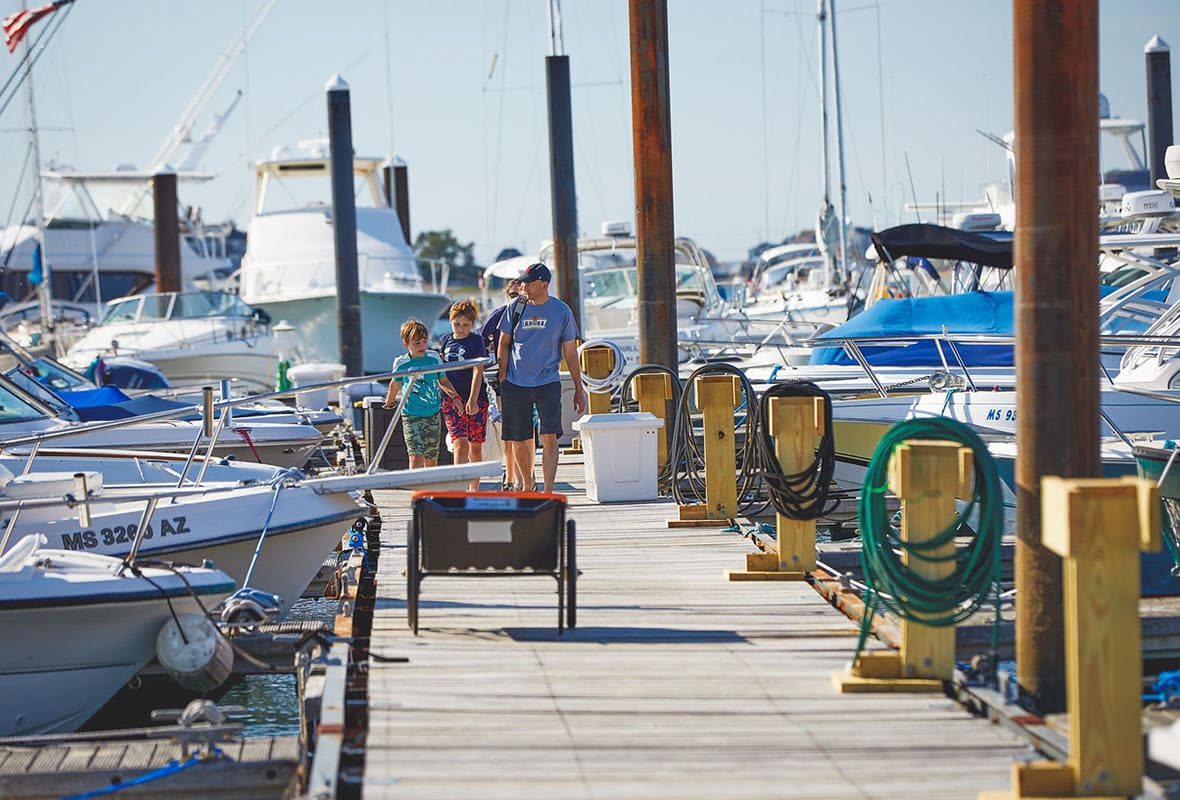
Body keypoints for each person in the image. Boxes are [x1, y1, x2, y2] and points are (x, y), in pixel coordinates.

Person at [496, 262, 586, 493]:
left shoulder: (562, 311)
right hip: (515, 382)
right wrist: (503, 379)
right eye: (523, 281)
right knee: (519, 438)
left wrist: (578, 387)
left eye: (529, 282)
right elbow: (503, 344)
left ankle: (548, 491)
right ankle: (527, 485)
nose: (523, 285)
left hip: (548, 381)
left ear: (544, 284)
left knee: (549, 436)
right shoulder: (515, 307)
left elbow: (570, 352)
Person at [384, 318, 461, 469]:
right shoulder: (401, 363)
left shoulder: (433, 358)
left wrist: (455, 397)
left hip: (432, 413)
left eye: (424, 341)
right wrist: (390, 401)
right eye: (417, 343)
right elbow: (395, 384)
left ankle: (431, 491)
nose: (422, 346)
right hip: (411, 414)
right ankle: (418, 491)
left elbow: (443, 380)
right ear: (406, 344)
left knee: (431, 459)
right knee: (415, 456)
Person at [479, 279, 529, 490]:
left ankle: (524, 475)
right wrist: (490, 356)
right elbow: (481, 335)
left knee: (528, 431)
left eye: (520, 295)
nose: (516, 300)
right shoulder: (501, 313)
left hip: (529, 377)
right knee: (509, 431)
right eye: (512, 295)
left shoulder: (533, 314)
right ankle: (510, 476)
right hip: (505, 377)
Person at [439, 299, 489, 491]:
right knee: (459, 443)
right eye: (456, 323)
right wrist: (454, 397)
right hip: (452, 399)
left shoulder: (476, 341)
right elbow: (441, 374)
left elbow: (478, 370)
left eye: (465, 325)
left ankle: (474, 489)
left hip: (475, 398)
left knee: (475, 446)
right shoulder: (445, 340)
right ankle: (459, 489)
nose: (460, 328)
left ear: (472, 324)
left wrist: (473, 399)